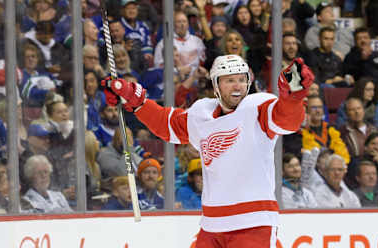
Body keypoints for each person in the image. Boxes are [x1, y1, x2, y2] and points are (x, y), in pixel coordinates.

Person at [102, 54, 314, 246]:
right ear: (216, 85)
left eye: (241, 79)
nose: (237, 86)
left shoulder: (258, 107)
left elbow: (287, 121)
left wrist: (292, 98)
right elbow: (168, 125)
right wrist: (136, 101)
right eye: (230, 80)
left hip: (254, 223)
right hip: (212, 225)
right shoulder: (201, 113)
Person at [301, 95, 350, 164]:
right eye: (314, 107)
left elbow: (342, 153)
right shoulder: (300, 132)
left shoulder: (331, 129)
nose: (318, 110)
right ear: (306, 110)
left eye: (320, 107)